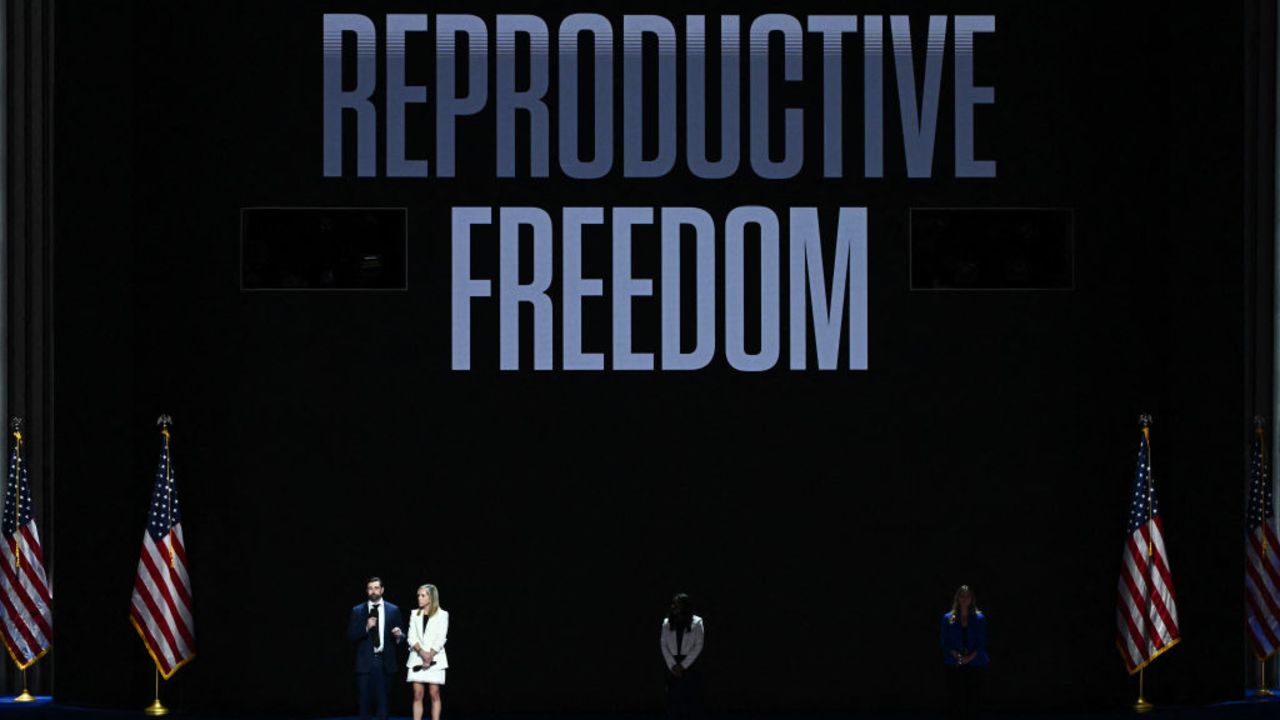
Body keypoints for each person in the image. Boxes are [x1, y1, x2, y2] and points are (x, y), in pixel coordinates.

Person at [348, 577, 405, 720]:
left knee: (383, 705)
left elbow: (403, 635)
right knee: (364, 704)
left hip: (385, 661)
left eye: (376, 588)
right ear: (367, 590)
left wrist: (399, 635)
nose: (373, 591)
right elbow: (351, 636)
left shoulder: (393, 610)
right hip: (365, 662)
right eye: (370, 588)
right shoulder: (358, 610)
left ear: (382, 590)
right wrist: (366, 627)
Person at [940, 585, 989, 720]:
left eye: (967, 595)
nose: (964, 598)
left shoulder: (979, 617)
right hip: (955, 663)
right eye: (962, 595)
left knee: (974, 699)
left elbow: (982, 642)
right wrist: (956, 655)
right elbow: (944, 642)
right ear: (957, 598)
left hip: (976, 663)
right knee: (956, 700)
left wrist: (970, 657)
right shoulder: (947, 618)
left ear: (971, 598)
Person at [407, 584, 450, 720]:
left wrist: (429, 655)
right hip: (417, 657)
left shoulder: (443, 615)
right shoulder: (414, 614)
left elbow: (441, 637)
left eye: (423, 595)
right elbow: (411, 636)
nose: (419, 598)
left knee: (434, 693)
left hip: (435, 658)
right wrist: (422, 654)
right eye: (418, 595)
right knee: (417, 694)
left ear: (431, 598)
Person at [660, 593, 705, 719]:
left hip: (690, 664)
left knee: (690, 698)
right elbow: (663, 644)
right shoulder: (667, 622)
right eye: (673, 604)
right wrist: (673, 665)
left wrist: (683, 666)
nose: (673, 607)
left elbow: (698, 645)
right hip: (672, 664)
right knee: (673, 699)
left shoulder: (697, 622)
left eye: (677, 604)